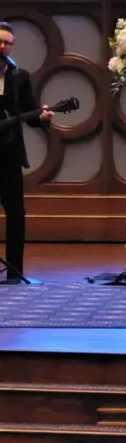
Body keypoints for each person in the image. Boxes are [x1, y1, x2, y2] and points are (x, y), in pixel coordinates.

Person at [0, 22, 52, 282]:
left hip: (9, 151)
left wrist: (43, 118)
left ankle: (14, 271)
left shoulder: (19, 76)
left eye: (7, 43)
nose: (2, 47)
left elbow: (31, 117)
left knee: (16, 212)